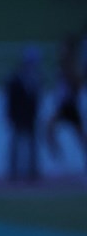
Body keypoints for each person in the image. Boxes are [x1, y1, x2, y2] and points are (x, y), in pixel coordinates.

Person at [45, 34, 87, 170]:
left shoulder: (72, 66)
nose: (61, 52)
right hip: (62, 105)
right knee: (49, 128)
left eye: (64, 49)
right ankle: (57, 153)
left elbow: (78, 83)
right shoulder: (62, 65)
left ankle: (59, 154)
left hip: (70, 105)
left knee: (81, 137)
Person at [4, 46, 42, 182]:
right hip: (18, 115)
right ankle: (13, 172)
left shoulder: (35, 79)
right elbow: (10, 98)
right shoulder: (15, 78)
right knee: (16, 143)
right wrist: (9, 115)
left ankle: (33, 171)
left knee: (32, 144)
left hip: (30, 116)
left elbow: (36, 99)